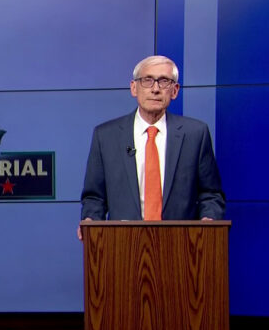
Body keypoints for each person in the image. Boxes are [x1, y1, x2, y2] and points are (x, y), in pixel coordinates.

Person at [78, 55, 224, 239]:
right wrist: (90, 220)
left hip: (182, 245)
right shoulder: (106, 135)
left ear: (175, 90)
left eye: (164, 81)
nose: (155, 89)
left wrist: (208, 220)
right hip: (122, 245)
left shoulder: (195, 134)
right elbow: (94, 197)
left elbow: (210, 194)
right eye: (147, 80)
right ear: (134, 88)